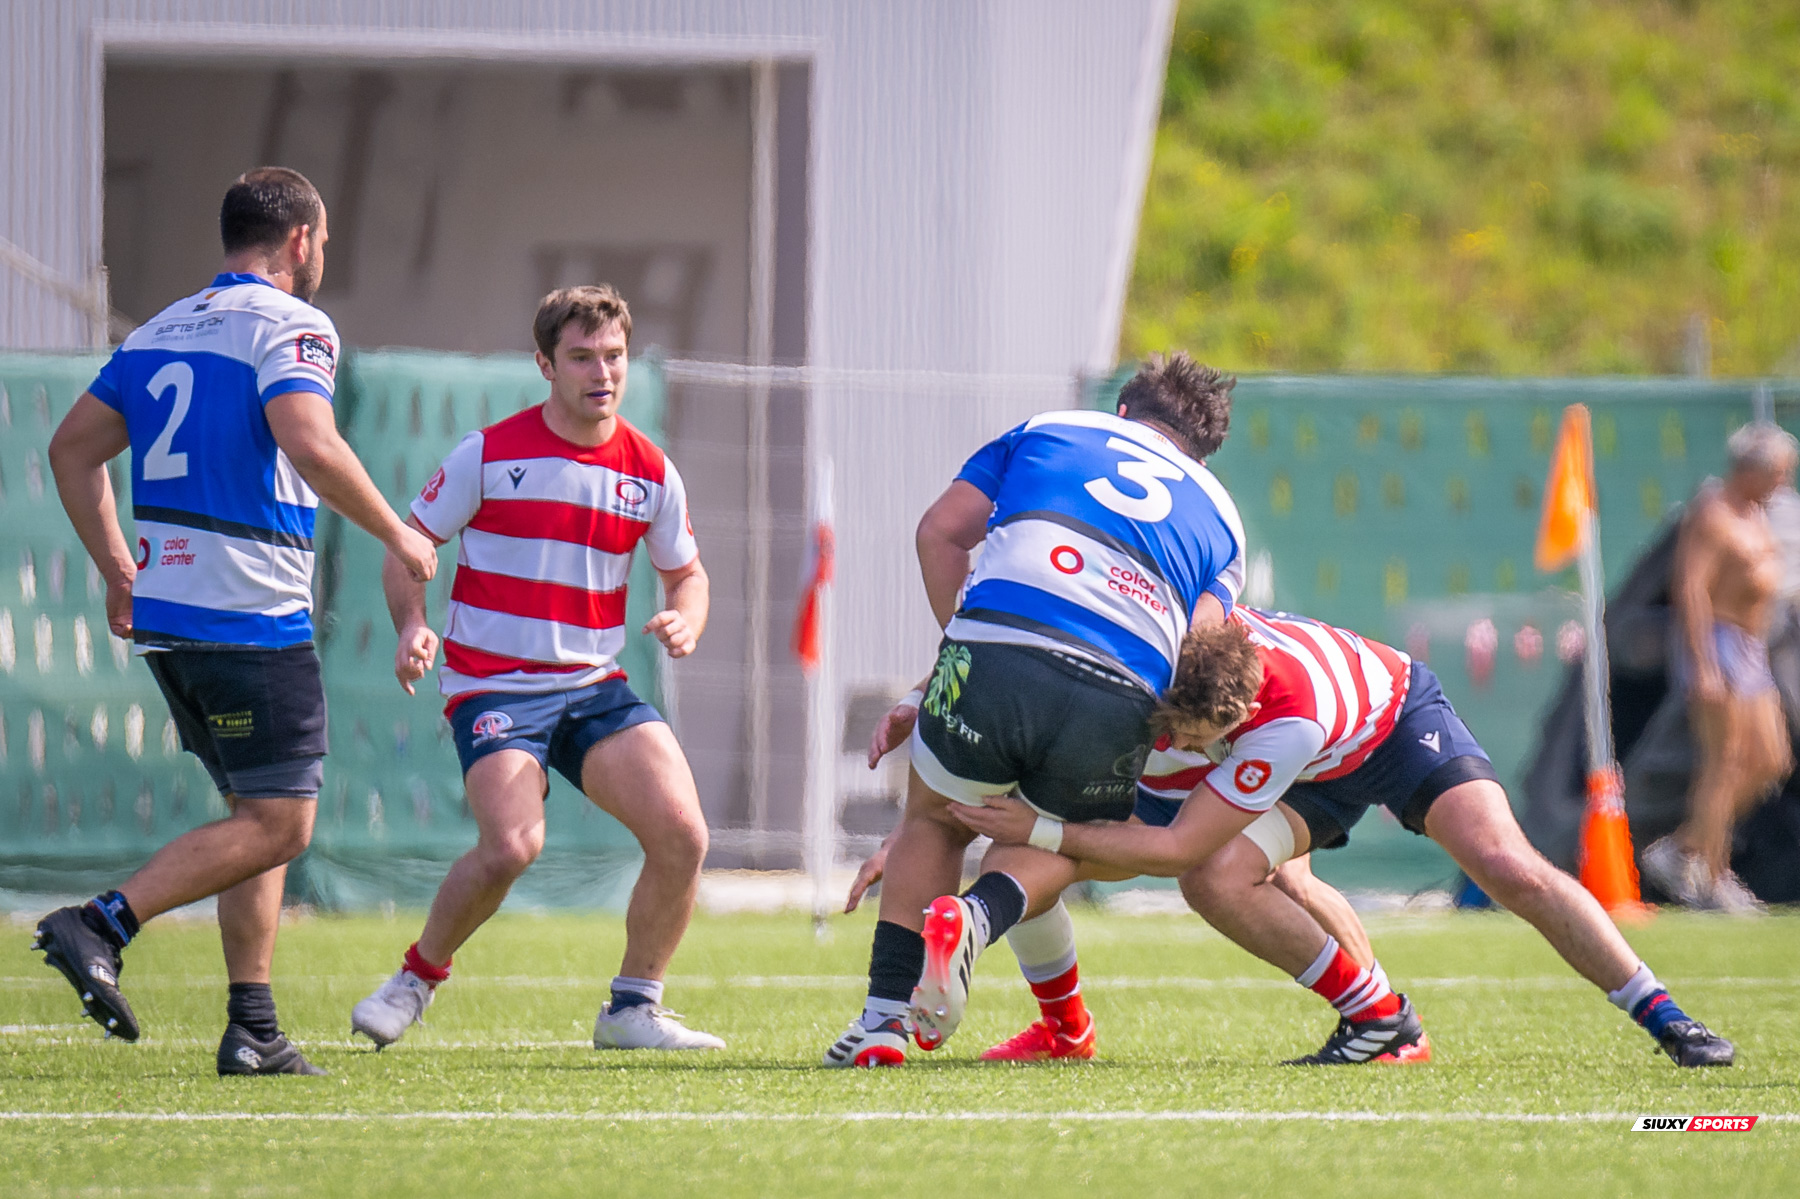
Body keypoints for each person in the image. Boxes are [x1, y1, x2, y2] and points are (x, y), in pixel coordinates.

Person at [37, 167, 438, 1075]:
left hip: (175, 613)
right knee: (284, 824)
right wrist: (397, 533)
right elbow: (308, 438)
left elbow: (70, 450)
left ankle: (252, 1025)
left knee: (253, 811)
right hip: (248, 608)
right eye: (323, 241)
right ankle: (100, 922)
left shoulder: (159, 328)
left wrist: (117, 569)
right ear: (300, 239)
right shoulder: (292, 324)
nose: (323, 256)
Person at [950, 612, 1736, 1068]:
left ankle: (1666, 1016)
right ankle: (1386, 1022)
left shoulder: (1283, 723)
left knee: (1507, 866)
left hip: (1394, 723)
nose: (1186, 750)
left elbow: (1172, 850)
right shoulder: (1188, 654)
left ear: (1237, 717)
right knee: (1248, 879)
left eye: (1198, 739)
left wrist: (1039, 828)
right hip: (1321, 752)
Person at [823, 353, 1246, 1068]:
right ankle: (975, 918)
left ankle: (885, 1021)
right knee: (1059, 839)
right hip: (1125, 683)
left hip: (997, 642)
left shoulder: (1049, 428)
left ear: (1122, 413)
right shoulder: (1224, 519)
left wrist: (960, 653)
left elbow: (940, 530)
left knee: (934, 816)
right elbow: (1201, 653)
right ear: (1202, 451)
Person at [349, 285, 722, 1052]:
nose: (603, 372)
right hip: (495, 685)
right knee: (513, 846)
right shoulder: (488, 454)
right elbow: (408, 547)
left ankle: (632, 1008)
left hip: (592, 686)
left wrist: (688, 615)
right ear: (545, 364)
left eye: (613, 356)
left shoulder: (649, 469)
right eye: (582, 357)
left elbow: (690, 573)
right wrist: (412, 624)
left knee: (684, 833)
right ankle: (415, 978)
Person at [847, 692, 1421, 1063]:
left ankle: (1385, 1022)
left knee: (1275, 880)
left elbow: (1179, 850)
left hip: (1295, 752)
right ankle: (1063, 1028)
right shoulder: (1074, 612)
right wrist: (909, 837)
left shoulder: (1175, 598)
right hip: (1172, 777)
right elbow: (984, 640)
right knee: (1023, 850)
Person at [1643, 422, 1799, 912]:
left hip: (1753, 648)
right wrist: (1703, 666)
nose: (1782, 482)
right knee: (1724, 763)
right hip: (1719, 644)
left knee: (1771, 760)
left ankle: (1684, 849)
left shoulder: (1759, 513)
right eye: (1776, 472)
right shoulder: (1712, 513)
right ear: (1749, 470)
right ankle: (1710, 872)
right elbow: (1691, 589)